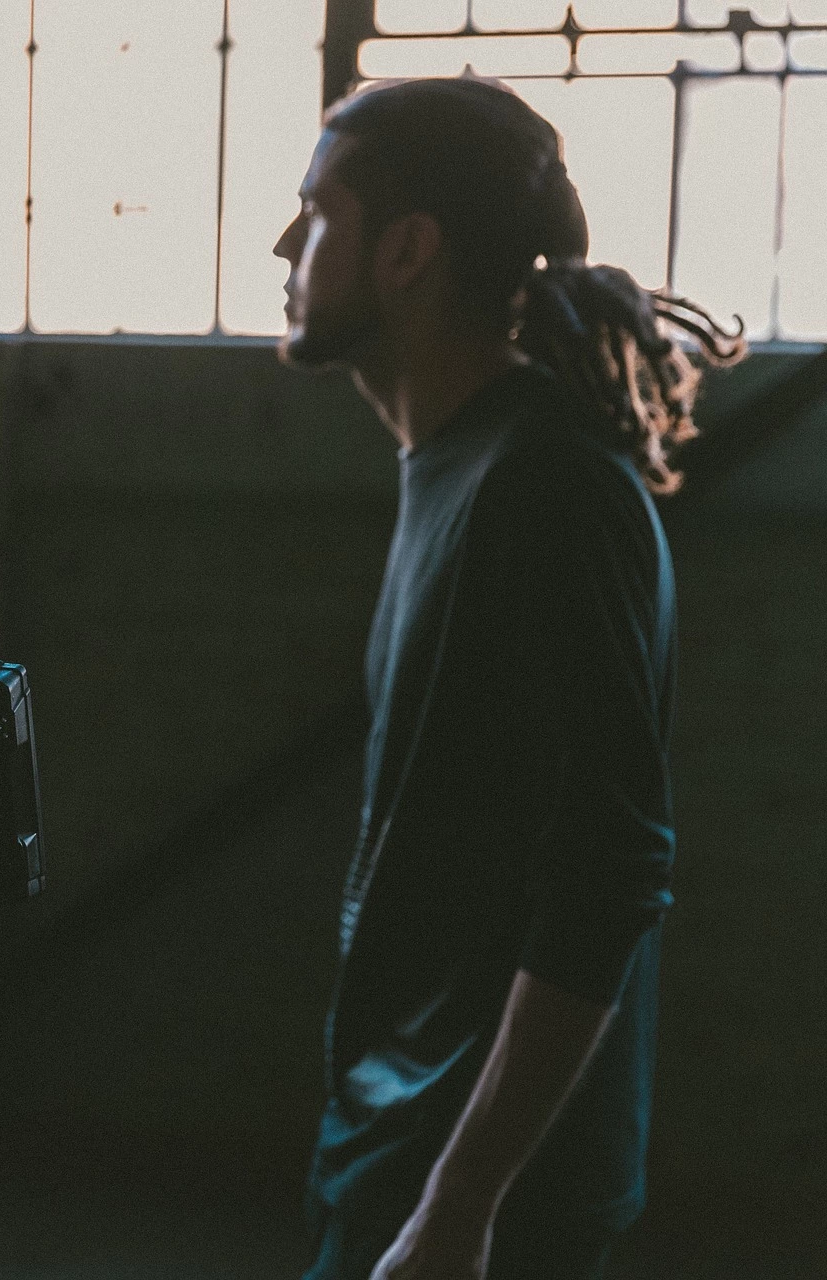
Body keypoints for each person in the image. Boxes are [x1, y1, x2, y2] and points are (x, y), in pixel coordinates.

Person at [272, 76, 740, 1280]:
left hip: (482, 1189)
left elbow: (613, 866)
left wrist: (465, 1198)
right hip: (396, 1131)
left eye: (317, 211)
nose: (286, 239)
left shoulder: (548, 486)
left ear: (408, 249)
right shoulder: (458, 463)